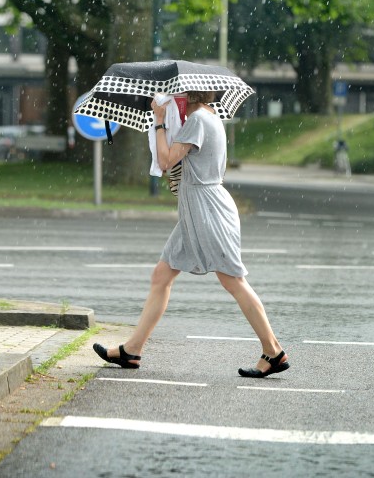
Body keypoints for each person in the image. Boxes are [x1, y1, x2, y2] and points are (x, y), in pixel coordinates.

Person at [93, 91, 289, 378]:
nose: (172, 95)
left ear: (191, 94)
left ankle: (273, 351)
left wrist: (160, 122)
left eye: (177, 92)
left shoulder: (197, 120)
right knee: (161, 275)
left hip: (208, 210)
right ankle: (132, 350)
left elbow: (165, 160)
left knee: (233, 280)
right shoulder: (208, 117)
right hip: (196, 209)